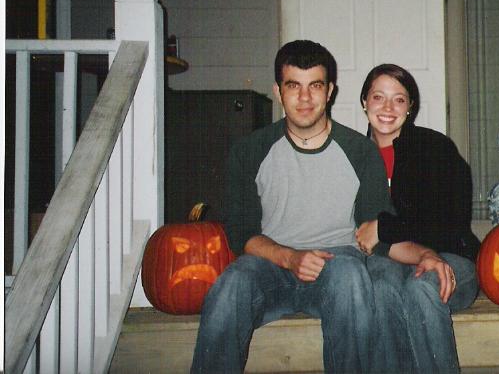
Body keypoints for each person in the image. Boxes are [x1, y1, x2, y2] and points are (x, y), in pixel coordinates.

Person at [191, 41, 452, 374]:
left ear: (329, 92)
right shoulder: (250, 150)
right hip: (271, 265)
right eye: (293, 86)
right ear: (278, 91)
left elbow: (378, 238)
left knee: (351, 276)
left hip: (338, 266)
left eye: (314, 86)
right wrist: (290, 258)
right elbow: (241, 234)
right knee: (232, 284)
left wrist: (426, 254)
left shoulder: (360, 152)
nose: (304, 98)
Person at [355, 63, 481, 373]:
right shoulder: (353, 156)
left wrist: (384, 227)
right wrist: (382, 236)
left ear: (410, 107)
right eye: (378, 97)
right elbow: (361, 235)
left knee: (421, 287)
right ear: (364, 102)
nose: (388, 108)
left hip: (450, 257)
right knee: (381, 287)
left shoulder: (434, 148)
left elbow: (449, 224)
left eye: (399, 99)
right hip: (388, 259)